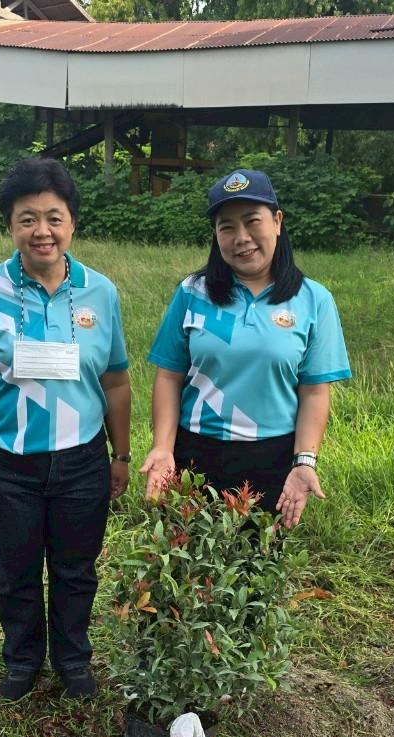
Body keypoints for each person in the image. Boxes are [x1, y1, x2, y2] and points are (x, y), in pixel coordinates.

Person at [0, 157, 131, 701]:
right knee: (16, 571)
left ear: (72, 222)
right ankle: (22, 660)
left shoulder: (102, 293)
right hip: (6, 463)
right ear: (10, 225)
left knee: (77, 570)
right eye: (28, 218)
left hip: (81, 462)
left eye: (54, 216)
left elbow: (116, 382)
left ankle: (73, 660)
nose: (41, 231)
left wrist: (120, 455)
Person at [140, 169, 351, 528]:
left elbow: (315, 391)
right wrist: (163, 447)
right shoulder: (193, 292)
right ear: (215, 234)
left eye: (253, 221)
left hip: (271, 458)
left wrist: (304, 461)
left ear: (278, 221)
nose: (241, 238)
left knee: (256, 572)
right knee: (188, 573)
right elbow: (169, 376)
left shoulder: (313, 300)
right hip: (194, 454)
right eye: (227, 226)